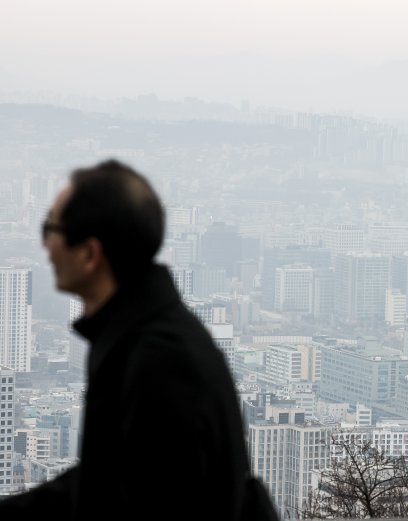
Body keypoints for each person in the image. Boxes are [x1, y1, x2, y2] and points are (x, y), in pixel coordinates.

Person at [0, 159, 278, 520]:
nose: (45, 244)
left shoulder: (160, 361)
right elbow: (107, 479)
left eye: (50, 228)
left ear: (89, 253)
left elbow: (155, 505)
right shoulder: (143, 336)